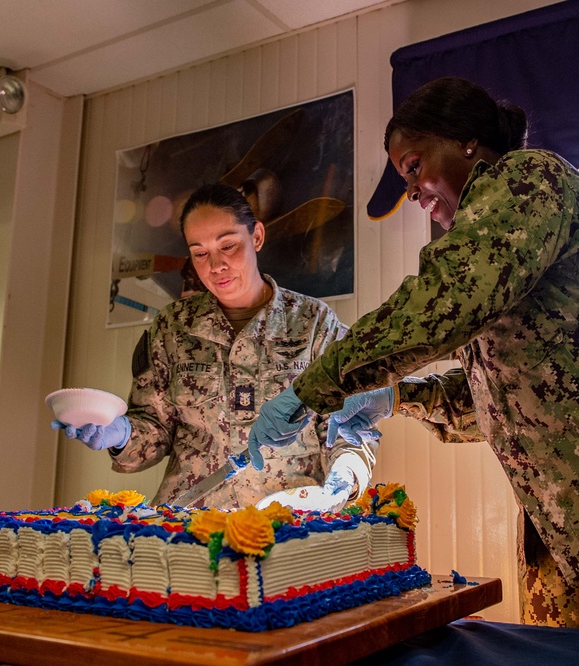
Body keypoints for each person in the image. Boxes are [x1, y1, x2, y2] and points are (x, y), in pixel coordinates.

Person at [248, 77, 579, 630]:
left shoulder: (527, 180)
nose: (414, 191)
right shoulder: (494, 251)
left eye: (414, 166)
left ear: (466, 142)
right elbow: (508, 396)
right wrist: (396, 398)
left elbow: (444, 302)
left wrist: (314, 387)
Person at [53, 183, 376, 509]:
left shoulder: (315, 325)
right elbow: (155, 431)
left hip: (289, 524)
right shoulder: (173, 328)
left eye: (229, 245)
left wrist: (344, 478)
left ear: (257, 237)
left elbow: (352, 427)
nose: (215, 265)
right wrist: (119, 434)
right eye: (200, 253)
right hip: (190, 525)